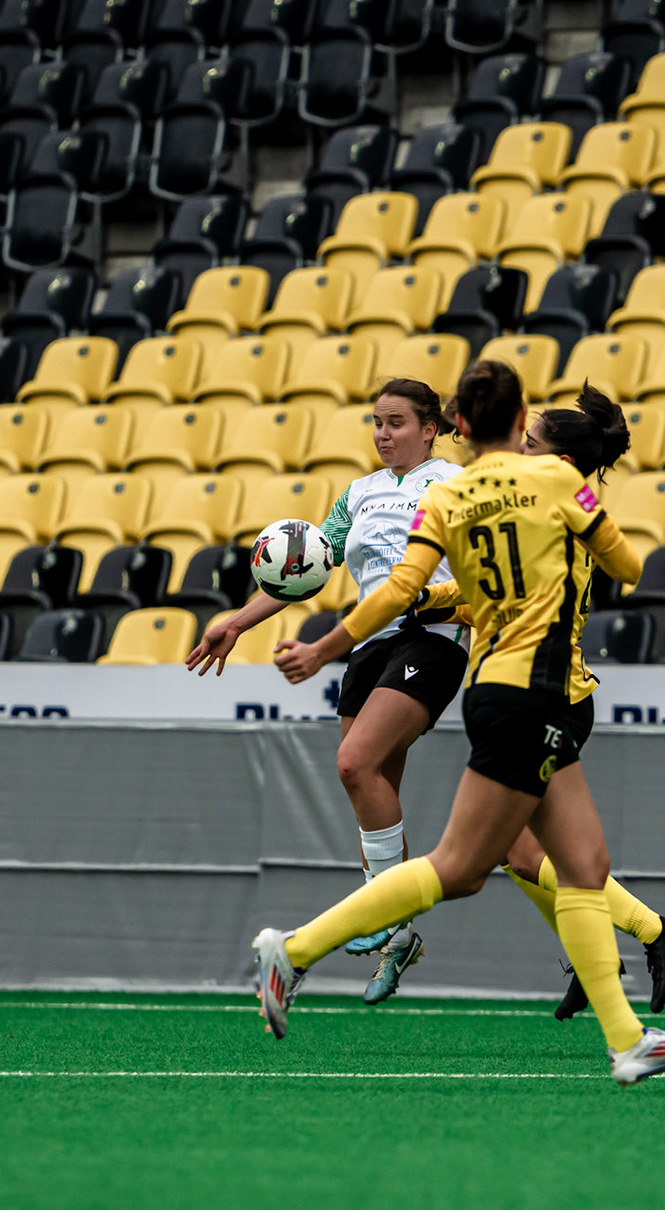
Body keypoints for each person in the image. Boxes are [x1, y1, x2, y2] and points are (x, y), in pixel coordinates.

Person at [254, 360, 665, 1086]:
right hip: (536, 688)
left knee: (582, 866)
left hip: (502, 687)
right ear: (520, 416)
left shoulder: (452, 494)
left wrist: (323, 647)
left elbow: (401, 594)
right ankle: (294, 951)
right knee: (460, 869)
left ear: (457, 425)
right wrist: (582, 498)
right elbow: (626, 563)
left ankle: (628, 1040)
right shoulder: (560, 482)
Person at [375, 386, 665, 1021]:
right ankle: (612, 955)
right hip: (534, 692)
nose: (521, 449)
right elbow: (495, 597)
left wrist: (421, 599)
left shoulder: (559, 508)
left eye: (531, 442)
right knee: (520, 853)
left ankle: (654, 933)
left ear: (556, 459)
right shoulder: (553, 507)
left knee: (511, 854)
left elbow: (514, 600)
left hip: (543, 695)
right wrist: (433, 600)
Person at [186, 379, 468, 1004]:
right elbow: (307, 569)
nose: (382, 434)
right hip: (368, 642)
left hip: (432, 638)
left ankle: (382, 912)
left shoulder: (454, 481)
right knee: (369, 783)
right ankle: (400, 935)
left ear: (430, 428)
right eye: (376, 422)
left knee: (353, 762)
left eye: (395, 422)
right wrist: (235, 621)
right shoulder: (360, 493)